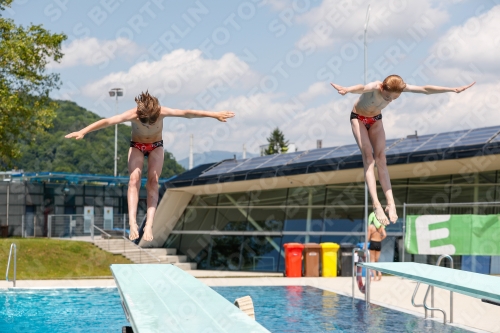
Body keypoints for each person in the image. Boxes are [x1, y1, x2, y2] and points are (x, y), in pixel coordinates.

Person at [65, 91, 235, 242]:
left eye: (151, 123)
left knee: (153, 181)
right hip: (137, 146)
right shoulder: (132, 114)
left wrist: (214, 114)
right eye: (144, 123)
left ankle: (148, 225)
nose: (148, 126)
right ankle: (132, 223)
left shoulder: (162, 112)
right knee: (134, 180)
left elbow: (187, 113)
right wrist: (83, 131)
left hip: (156, 146)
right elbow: (107, 121)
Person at [330, 75, 475, 225]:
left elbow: (425, 89)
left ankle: (391, 203)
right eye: (387, 97)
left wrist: (452, 89)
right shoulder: (375, 86)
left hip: (376, 120)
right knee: (369, 158)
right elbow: (361, 87)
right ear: (382, 88)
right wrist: (347, 89)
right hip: (358, 118)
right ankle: (376, 204)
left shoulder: (399, 88)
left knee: (381, 159)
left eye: (394, 98)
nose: (389, 100)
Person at [368, 211, 386, 281]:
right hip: (379, 243)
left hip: (373, 242)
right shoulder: (381, 226)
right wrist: (380, 239)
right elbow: (385, 235)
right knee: (376, 260)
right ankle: (379, 272)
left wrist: (367, 241)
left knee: (372, 260)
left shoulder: (371, 227)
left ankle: (375, 276)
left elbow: (368, 236)